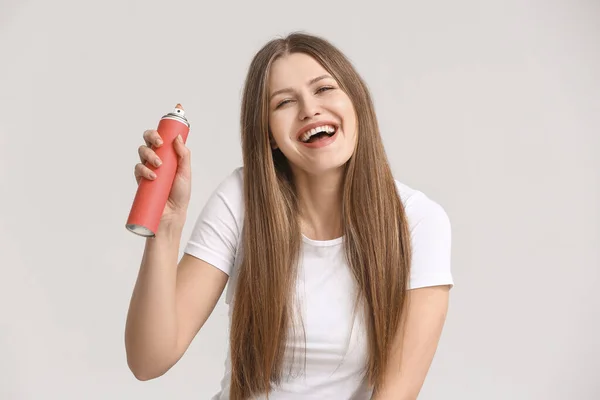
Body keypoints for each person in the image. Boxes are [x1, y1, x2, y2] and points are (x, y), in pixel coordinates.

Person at [125, 32, 454, 400]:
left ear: (356, 101)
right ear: (269, 135)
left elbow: (397, 393)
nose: (310, 109)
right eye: (284, 102)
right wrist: (167, 227)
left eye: (324, 88)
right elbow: (148, 360)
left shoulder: (418, 223)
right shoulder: (242, 199)